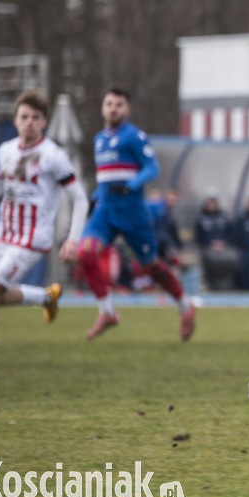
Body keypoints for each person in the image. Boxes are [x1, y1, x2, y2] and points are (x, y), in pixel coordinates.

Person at [0, 91, 89, 364]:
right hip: (5, 236)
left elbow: (80, 198)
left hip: (32, 239)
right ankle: (46, 297)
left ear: (44, 122)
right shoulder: (6, 151)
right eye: (25, 117)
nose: (30, 123)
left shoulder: (53, 156)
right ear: (15, 120)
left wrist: (73, 239)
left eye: (36, 118)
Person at [78, 87, 196, 341]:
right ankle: (107, 312)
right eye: (109, 103)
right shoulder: (99, 139)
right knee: (85, 252)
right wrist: (95, 198)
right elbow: (105, 178)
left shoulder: (134, 136)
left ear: (127, 109)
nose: (113, 108)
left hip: (132, 215)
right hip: (105, 213)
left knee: (152, 267)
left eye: (119, 104)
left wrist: (130, 185)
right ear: (103, 107)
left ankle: (185, 306)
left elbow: (152, 168)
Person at [194, 191, 240, 290]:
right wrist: (210, 244)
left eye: (213, 202)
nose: (211, 205)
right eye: (209, 202)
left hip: (225, 248)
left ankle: (230, 283)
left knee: (235, 257)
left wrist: (224, 243)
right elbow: (198, 238)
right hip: (208, 248)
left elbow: (231, 234)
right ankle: (209, 282)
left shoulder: (224, 217)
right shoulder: (201, 218)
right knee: (207, 256)